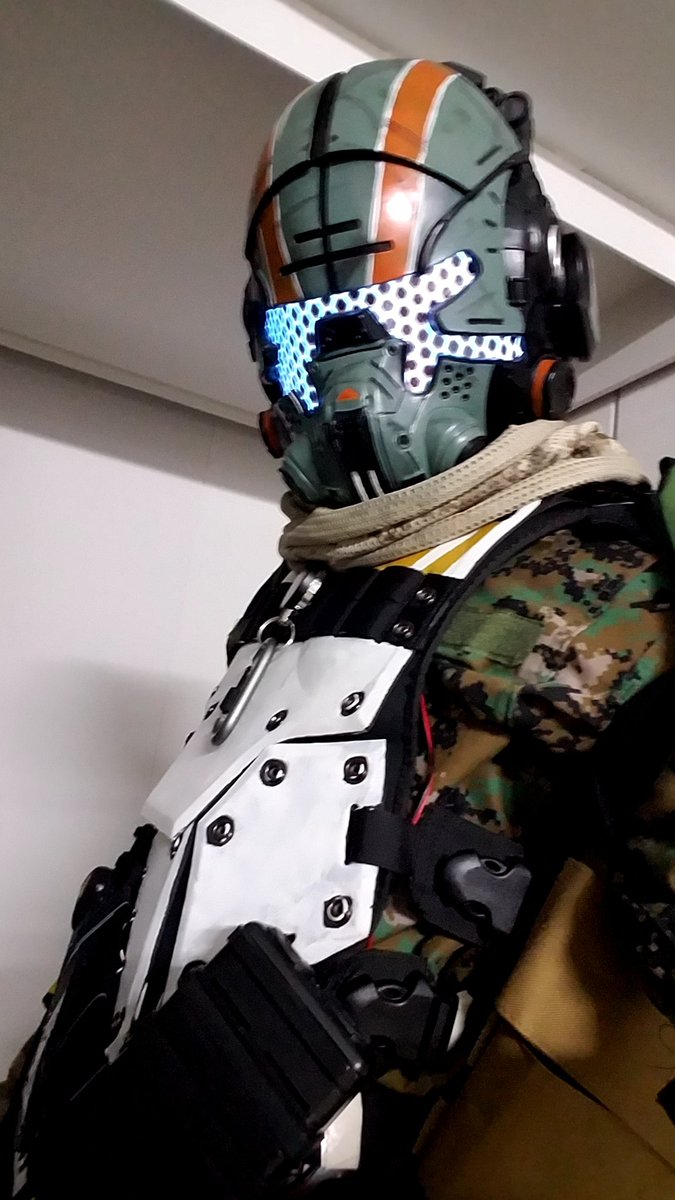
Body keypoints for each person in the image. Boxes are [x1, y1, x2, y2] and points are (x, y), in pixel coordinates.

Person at [5, 58, 675, 1200]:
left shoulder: (613, 585)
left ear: (526, 295)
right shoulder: (296, 597)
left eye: (392, 314)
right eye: (306, 328)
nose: (354, 383)